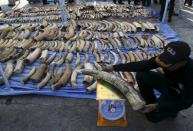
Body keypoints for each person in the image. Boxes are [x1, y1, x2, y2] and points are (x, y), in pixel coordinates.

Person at [102, 41, 193, 123]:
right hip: (167, 83)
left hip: (178, 95)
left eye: (168, 63)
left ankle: (169, 111)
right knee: (142, 75)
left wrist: (159, 106)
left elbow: (186, 102)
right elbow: (143, 65)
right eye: (164, 59)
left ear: (183, 62)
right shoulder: (166, 58)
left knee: (153, 117)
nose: (164, 64)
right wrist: (114, 68)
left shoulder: (190, 76)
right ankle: (150, 101)